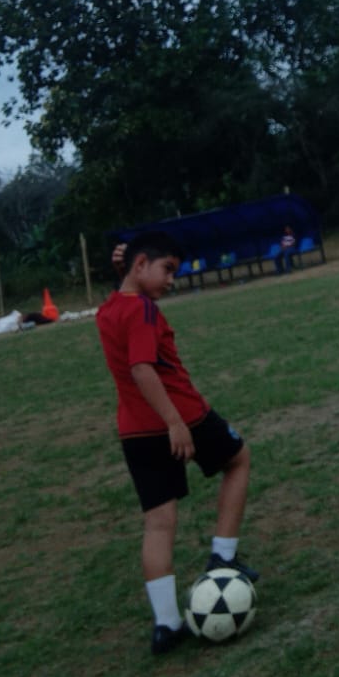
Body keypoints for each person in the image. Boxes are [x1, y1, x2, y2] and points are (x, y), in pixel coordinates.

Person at [98, 233, 259, 654]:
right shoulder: (143, 310)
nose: (172, 279)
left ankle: (166, 624)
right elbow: (142, 368)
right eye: (167, 269)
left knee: (159, 522)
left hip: (134, 431)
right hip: (182, 415)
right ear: (140, 265)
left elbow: (125, 297)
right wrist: (174, 422)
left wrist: (125, 271)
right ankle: (223, 556)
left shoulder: (109, 308)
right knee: (238, 459)